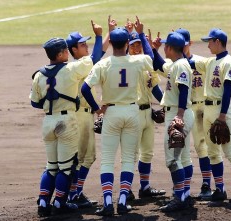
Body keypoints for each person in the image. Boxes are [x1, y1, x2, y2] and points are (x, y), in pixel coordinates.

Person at [81, 27, 154, 216]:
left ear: (111, 43)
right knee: (129, 158)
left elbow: (85, 89)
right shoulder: (138, 61)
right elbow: (151, 57)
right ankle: (122, 200)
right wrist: (143, 37)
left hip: (111, 113)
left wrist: (97, 109)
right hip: (132, 111)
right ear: (128, 44)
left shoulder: (103, 65)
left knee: (107, 159)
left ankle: (107, 203)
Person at [189, 28, 231, 203]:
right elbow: (189, 63)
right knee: (213, 153)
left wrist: (222, 116)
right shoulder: (210, 62)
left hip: (221, 111)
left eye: (209, 41)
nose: (207, 45)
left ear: (217, 41)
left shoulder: (229, 63)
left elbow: (228, 90)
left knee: (230, 152)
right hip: (207, 110)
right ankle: (219, 189)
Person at [30, 38, 88, 216]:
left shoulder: (39, 75)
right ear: (61, 54)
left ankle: (43, 202)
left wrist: (52, 104)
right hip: (66, 122)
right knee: (67, 167)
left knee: (51, 167)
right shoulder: (70, 69)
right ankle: (60, 204)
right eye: (65, 51)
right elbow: (91, 60)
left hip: (48, 122)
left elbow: (35, 103)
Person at [65, 20, 107, 208]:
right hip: (81, 116)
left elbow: (98, 55)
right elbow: (96, 57)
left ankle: (74, 193)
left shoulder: (80, 64)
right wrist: (99, 35)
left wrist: (109, 35)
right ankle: (74, 194)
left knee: (80, 158)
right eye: (82, 44)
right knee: (86, 158)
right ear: (74, 50)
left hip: (79, 115)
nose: (86, 45)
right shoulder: (81, 64)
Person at [152, 32, 195, 212]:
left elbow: (184, 91)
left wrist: (178, 115)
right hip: (177, 112)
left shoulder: (181, 66)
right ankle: (183, 194)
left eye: (164, 45)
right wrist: (153, 50)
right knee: (182, 158)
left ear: (170, 48)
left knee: (172, 159)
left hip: (179, 114)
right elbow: (158, 63)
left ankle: (179, 197)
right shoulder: (178, 64)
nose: (163, 48)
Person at [126, 17, 166, 200]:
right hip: (131, 113)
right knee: (131, 154)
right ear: (126, 46)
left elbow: (156, 90)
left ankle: (145, 187)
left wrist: (168, 105)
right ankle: (126, 190)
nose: (136, 48)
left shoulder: (146, 66)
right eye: (132, 45)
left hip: (147, 113)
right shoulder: (124, 65)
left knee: (147, 152)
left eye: (138, 45)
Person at [175, 28, 212, 200]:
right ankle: (182, 187)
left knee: (202, 147)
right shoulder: (175, 64)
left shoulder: (202, 62)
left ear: (190, 43)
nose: (181, 47)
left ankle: (206, 184)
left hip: (201, 110)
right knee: (181, 149)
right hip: (184, 110)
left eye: (184, 44)